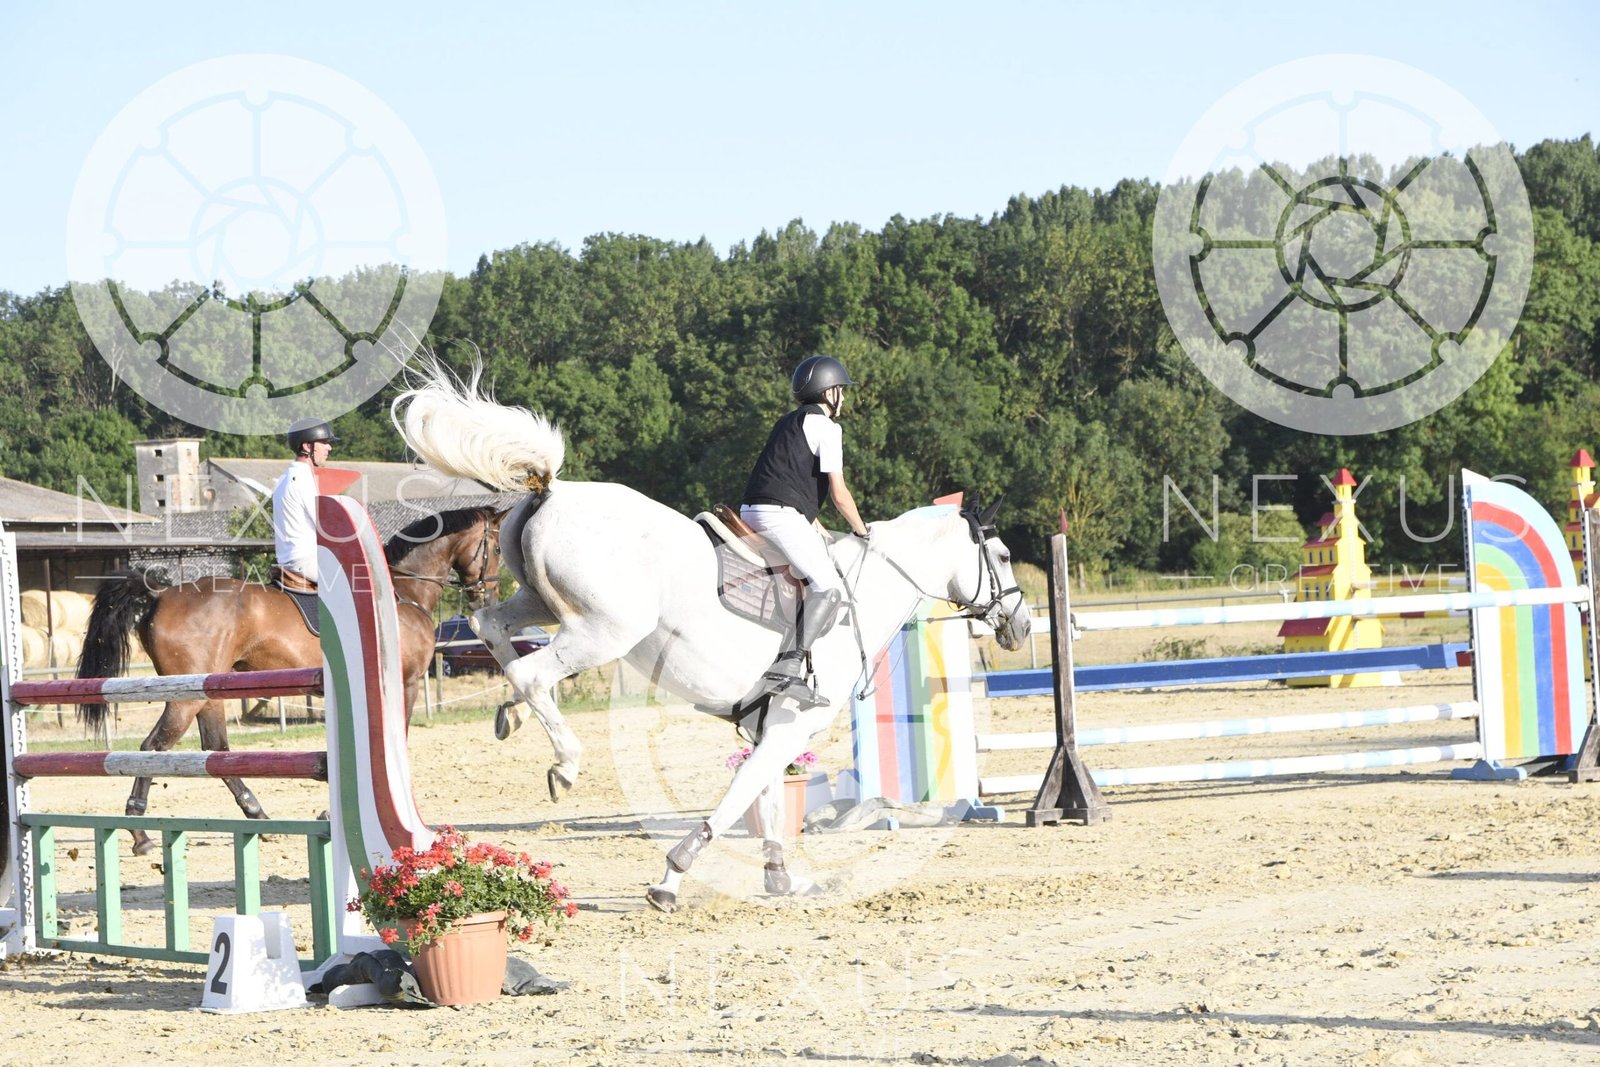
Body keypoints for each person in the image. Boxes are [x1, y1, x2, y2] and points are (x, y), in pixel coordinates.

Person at [740, 355, 870, 708]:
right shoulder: (828, 428)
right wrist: (862, 532)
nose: (844, 396)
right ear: (829, 393)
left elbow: (787, 480)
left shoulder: (788, 422)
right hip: (778, 516)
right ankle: (787, 669)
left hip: (752, 510)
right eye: (841, 389)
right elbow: (840, 494)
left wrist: (820, 529)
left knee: (812, 572)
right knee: (829, 589)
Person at [272, 416, 338, 588]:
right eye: (324, 442)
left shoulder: (284, 478)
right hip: (307, 561)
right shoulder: (304, 479)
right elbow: (325, 525)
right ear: (307, 446)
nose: (329, 447)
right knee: (362, 579)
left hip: (287, 560)